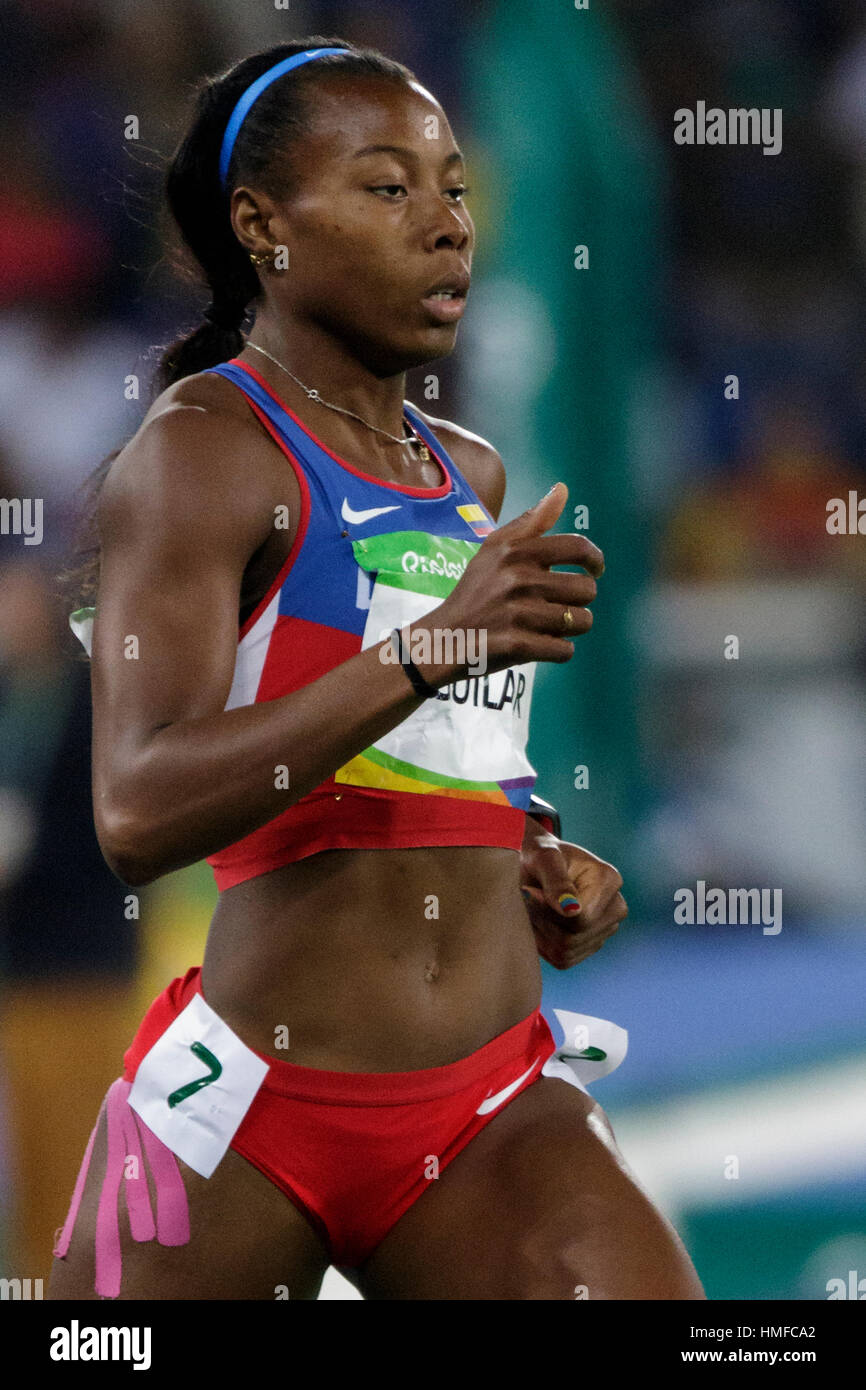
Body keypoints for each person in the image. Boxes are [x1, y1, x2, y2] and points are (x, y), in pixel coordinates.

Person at [49, 37, 704, 1300]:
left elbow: (431, 749)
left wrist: (530, 851)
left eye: (454, 187)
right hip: (254, 1108)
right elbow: (136, 813)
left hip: (487, 1105)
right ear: (264, 227)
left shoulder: (469, 474)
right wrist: (437, 641)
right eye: (387, 188)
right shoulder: (202, 454)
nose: (447, 226)